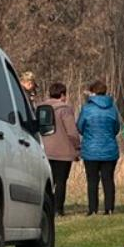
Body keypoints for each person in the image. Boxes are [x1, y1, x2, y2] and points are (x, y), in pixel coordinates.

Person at [77, 80, 120, 216]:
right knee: (108, 179)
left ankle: (92, 209)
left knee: (92, 180)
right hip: (109, 149)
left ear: (93, 92)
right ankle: (109, 208)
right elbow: (116, 128)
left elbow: (80, 127)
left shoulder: (86, 108)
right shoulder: (112, 108)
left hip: (91, 150)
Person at [40, 82, 80, 216]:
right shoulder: (65, 109)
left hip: (44, 150)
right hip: (63, 152)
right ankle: (58, 209)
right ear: (62, 95)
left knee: (47, 182)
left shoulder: (40, 108)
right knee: (61, 181)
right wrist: (77, 147)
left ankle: (46, 208)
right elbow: (72, 132)